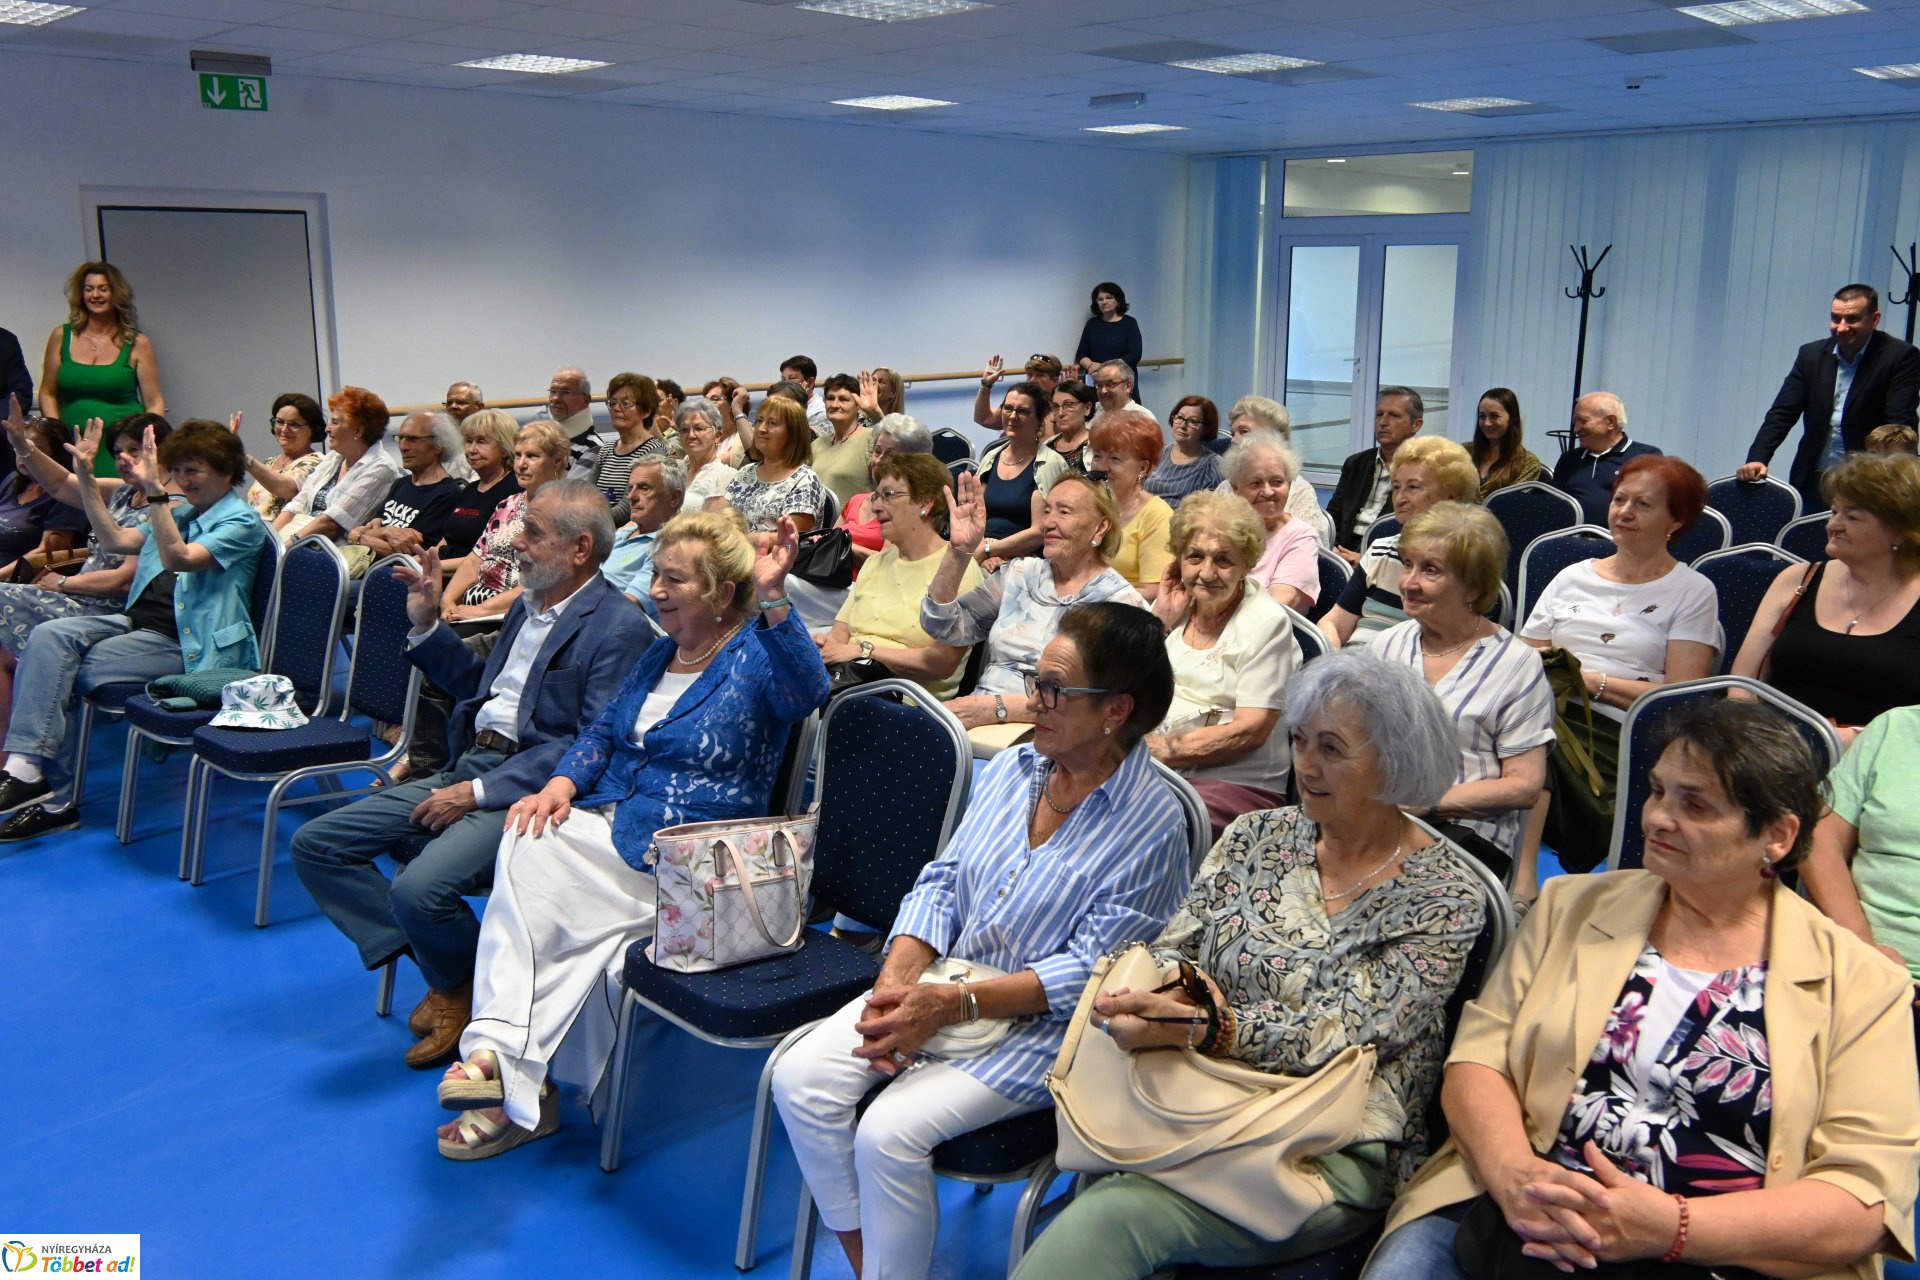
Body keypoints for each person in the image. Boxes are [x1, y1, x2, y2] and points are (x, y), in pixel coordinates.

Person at [1365, 699, 1920, 1280]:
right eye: (1658, 792)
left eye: (1695, 804)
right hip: (1523, 1212)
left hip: (1727, 1254)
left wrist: (1674, 1228)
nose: (1656, 817)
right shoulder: (1573, 907)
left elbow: (1864, 1203)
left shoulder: (1860, 983)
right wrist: (1514, 1178)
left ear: (1776, 836)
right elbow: (1479, 1058)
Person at [1016, 649, 1490, 1280]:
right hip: (1195, 1094)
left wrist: (1216, 1025)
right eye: (1299, 741)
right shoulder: (1256, 836)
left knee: (1111, 1218)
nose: (1306, 765)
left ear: (1396, 759)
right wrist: (1162, 994)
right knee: (1108, 1188)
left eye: (1332, 747)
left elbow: (1350, 1032)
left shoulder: (1445, 894)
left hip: (1325, 1142)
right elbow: (1174, 948)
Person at [772, 603, 1190, 1280]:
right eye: (1035, 680)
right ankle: (866, 1261)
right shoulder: (1019, 767)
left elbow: (1092, 976)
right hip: (950, 981)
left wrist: (950, 1005)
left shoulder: (1153, 823)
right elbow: (943, 881)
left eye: (1054, 689)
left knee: (889, 1132)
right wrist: (899, 977)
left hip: (1051, 1030)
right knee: (800, 1080)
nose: (1033, 701)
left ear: (1116, 711)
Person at [432, 511, 829, 1159]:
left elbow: (807, 688)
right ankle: (507, 1070)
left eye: (676, 579)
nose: (658, 590)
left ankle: (505, 1073)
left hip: (695, 868)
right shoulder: (659, 653)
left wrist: (777, 593)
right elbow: (601, 733)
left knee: (539, 880)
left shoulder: (757, 658)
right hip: (623, 835)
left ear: (723, 593)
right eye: (657, 575)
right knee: (531, 838)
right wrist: (561, 784)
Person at [290, 481, 652, 1067]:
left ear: (580, 548)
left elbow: (589, 741)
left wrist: (478, 791)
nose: (515, 543)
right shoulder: (528, 607)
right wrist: (429, 624)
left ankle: (461, 987)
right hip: (471, 762)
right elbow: (479, 690)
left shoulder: (618, 626)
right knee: (317, 845)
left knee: (418, 889)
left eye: (532, 532)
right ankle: (458, 978)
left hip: (528, 788)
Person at [0, 420, 264, 841]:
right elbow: (116, 538)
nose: (183, 480)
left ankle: (51, 798)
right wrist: (85, 478)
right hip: (136, 625)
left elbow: (178, 558)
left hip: (187, 644)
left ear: (227, 472)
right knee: (48, 639)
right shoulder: (190, 512)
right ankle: (26, 771)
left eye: (193, 471)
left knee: (59, 670)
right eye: (177, 471)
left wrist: (158, 494)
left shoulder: (242, 522)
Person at [1520, 456, 1721, 877]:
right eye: (1619, 500)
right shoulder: (1571, 576)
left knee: (1526, 746)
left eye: (1643, 505)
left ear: (1676, 520)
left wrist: (1588, 682)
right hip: (1546, 709)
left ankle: (1518, 881)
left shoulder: (1692, 591)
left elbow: (1678, 698)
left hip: (1622, 732)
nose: (1624, 512)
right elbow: (1523, 657)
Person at [1371, 503, 1554, 863]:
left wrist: (1428, 802)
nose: (1408, 582)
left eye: (1431, 570)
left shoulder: (1516, 665)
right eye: (1408, 565)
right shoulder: (1388, 644)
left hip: (1465, 835)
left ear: (1473, 586)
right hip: (1379, 819)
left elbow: (1525, 786)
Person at [923, 471, 1146, 739]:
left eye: (1064, 512)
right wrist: (959, 551)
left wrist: (997, 708)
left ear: (1100, 527)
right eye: (1048, 510)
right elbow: (943, 626)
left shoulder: (1122, 605)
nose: (1048, 522)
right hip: (974, 722)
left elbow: (1098, 704)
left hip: (1056, 739)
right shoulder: (1021, 574)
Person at [1731, 451, 1920, 745]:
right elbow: (1742, 684)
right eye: (1834, 512)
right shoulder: (1797, 580)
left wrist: (1848, 740)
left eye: (1853, 516)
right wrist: (1754, 739)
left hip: (1884, 759)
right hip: (1773, 750)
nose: (1833, 525)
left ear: (1900, 531)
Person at [0, 413, 169, 732]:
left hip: (108, 611)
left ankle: (24, 752)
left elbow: (123, 582)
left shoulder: (167, 505)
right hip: (80, 598)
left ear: (158, 449)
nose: (124, 458)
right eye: (118, 451)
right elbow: (61, 483)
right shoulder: (123, 491)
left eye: (135, 449)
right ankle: (16, 748)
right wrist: (23, 447)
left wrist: (64, 582)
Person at [1146, 491, 1302, 836]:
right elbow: (1130, 686)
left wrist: (1158, 750)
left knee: (1139, 824)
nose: (1206, 572)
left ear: (1247, 564)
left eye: (1224, 560)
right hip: (1160, 767)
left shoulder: (1266, 623)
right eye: (1194, 557)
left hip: (1234, 783)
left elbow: (1250, 732)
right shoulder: (1177, 608)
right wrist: (1160, 621)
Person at [814, 452, 978, 699]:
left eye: (889, 495)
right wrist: (825, 644)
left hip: (907, 703)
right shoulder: (875, 564)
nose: (877, 506)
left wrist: (863, 651)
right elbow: (839, 635)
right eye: (877, 496)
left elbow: (941, 664)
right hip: (848, 684)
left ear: (925, 503)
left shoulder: (959, 568)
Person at [1742, 283, 1920, 507]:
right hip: (1814, 476)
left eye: (1852, 319)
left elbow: (1900, 423)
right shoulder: (1811, 355)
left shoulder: (1899, 356)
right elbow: (1782, 412)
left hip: (1869, 481)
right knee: (1804, 538)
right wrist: (1759, 456)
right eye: (1836, 319)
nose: (1842, 328)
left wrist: (1896, 478)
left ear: (1874, 319)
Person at [1320, 436, 1480, 650]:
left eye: (1413, 487)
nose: (1400, 498)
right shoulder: (1380, 550)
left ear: (1450, 497)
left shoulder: (1466, 566)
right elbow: (1333, 623)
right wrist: (1334, 663)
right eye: (1396, 487)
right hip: (1351, 669)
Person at [40, 263, 165, 478]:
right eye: (89, 289)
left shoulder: (137, 342)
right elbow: (47, 392)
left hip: (119, 449)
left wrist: (146, 446)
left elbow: (154, 402)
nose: (95, 295)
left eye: (103, 289)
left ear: (116, 293)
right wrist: (56, 436)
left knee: (117, 506)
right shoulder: (61, 336)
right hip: (71, 447)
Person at [440, 420, 569, 628]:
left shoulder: (565, 511)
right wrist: (447, 601)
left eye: (532, 456)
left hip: (515, 614)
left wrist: (481, 610)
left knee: (443, 648)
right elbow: (475, 560)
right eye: (518, 455)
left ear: (557, 462)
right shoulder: (508, 503)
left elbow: (541, 585)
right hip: (471, 609)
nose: (521, 464)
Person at [272, 385, 399, 546]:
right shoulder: (334, 457)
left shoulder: (381, 468)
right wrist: (271, 539)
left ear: (357, 431)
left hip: (330, 550)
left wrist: (285, 546)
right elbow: (298, 503)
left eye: (335, 422)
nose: (327, 429)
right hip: (301, 539)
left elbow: (331, 524)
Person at [343, 411, 462, 563]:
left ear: (438, 445)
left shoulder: (448, 494)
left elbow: (407, 555)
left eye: (412, 439)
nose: (403, 447)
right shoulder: (401, 483)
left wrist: (360, 537)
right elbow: (372, 527)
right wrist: (386, 532)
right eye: (401, 438)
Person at [973, 381, 1067, 568]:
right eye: (1008, 408)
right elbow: (973, 517)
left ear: (1040, 419)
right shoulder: (992, 457)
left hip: (1025, 560)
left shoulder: (1048, 463)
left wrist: (990, 551)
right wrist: (981, 550)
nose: (1013, 416)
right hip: (981, 552)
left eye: (1022, 411)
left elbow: (1040, 531)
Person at [1216, 395, 1333, 545]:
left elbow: (1311, 550)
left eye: (1243, 431)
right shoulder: (1226, 486)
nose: (1233, 440)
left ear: (1273, 436)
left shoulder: (1300, 491)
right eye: (1233, 433)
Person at [1226, 430, 1317, 612]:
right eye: (1255, 483)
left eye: (1277, 482)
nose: (1268, 492)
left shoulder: (1301, 537)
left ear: (1289, 485)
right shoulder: (1224, 526)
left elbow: (1279, 603)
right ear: (1236, 487)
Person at [1327, 387, 1424, 559]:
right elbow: (1334, 516)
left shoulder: (1425, 469)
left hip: (1391, 554)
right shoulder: (1356, 463)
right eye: (1379, 414)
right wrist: (1335, 551)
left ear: (1416, 425)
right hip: (1344, 550)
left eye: (1394, 415)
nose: (1383, 422)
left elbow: (1420, 528)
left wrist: (1366, 558)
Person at [1090, 410, 1173, 601]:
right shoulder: (1088, 503)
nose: (1102, 466)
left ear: (1143, 468)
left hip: (1124, 616)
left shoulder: (1158, 515)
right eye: (1097, 456)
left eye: (1115, 458)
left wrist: (1094, 599)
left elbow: (1154, 592)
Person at [1550, 390, 1661, 525]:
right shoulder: (1569, 459)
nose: (1576, 429)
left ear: (1610, 422)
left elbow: (1650, 508)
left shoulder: (1645, 457)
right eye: (1575, 423)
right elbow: (1552, 505)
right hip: (1566, 537)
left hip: (1619, 540)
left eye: (1583, 421)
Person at [838, 414, 933, 567]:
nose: (879, 460)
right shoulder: (857, 500)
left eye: (890, 455)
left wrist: (844, 548)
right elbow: (828, 543)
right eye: (877, 451)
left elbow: (888, 564)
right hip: (833, 581)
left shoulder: (910, 509)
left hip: (871, 587)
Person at [0, 416, 87, 581]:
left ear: (55, 455)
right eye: (18, 446)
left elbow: (45, 556)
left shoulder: (70, 496)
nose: (22, 453)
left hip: (16, 582)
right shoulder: (11, 481)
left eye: (32, 448)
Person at [726, 396, 825, 534]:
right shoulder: (745, 472)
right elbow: (721, 518)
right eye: (759, 420)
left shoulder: (805, 479)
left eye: (772, 423)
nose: (761, 428)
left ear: (793, 433)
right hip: (735, 551)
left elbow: (788, 538)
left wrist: (737, 541)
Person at [436, 410, 521, 564]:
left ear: (504, 448)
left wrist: (429, 568)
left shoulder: (515, 490)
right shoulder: (469, 490)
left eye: (481, 442)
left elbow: (490, 559)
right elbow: (445, 540)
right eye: (469, 441)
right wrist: (417, 561)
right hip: (445, 570)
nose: (471, 450)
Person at [601, 458, 682, 613]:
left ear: (673, 498)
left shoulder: (669, 545)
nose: (631, 496)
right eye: (630, 488)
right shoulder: (623, 533)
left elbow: (626, 609)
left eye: (644, 488)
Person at [234, 393, 324, 520]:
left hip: (283, 536)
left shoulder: (318, 461)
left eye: (294, 424)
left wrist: (244, 458)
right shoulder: (270, 462)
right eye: (280, 422)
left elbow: (286, 488)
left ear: (313, 429)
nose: (284, 429)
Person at [590, 372, 663, 510]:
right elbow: (586, 494)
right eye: (612, 403)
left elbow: (628, 507)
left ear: (646, 411)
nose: (616, 409)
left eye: (625, 403)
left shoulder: (653, 451)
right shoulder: (606, 449)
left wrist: (593, 520)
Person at [1144, 396, 1224, 507]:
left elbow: (1213, 512)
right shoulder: (1157, 453)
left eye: (1192, 421)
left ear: (1206, 428)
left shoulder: (1213, 466)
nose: (1182, 426)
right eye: (1180, 418)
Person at [810, 373, 874, 508]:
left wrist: (876, 413)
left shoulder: (872, 438)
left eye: (844, 399)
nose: (834, 404)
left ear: (858, 406)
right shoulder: (816, 444)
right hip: (820, 525)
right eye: (830, 398)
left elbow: (900, 447)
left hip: (854, 524)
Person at [1469, 387, 1544, 500]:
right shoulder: (1464, 451)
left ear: (1513, 418)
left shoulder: (1528, 463)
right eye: (1482, 416)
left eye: (1494, 416)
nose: (1487, 423)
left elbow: (1506, 507)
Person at [675, 396, 737, 514]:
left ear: (717, 435)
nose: (691, 435)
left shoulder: (726, 476)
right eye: (685, 430)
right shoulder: (674, 472)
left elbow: (712, 526)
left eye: (699, 428)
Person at [974, 354, 1063, 431]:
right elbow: (983, 418)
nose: (1032, 380)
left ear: (1054, 381)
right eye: (1030, 375)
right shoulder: (1018, 402)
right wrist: (985, 385)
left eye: (1040, 375)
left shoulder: (1061, 409)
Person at [1075, 281, 1144, 381]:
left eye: (1109, 297)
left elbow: (1135, 354)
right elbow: (1081, 354)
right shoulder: (1092, 324)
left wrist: (1104, 367)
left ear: (1118, 300)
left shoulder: (1129, 323)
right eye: (1100, 299)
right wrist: (1090, 366)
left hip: (1121, 379)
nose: (1104, 302)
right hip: (1095, 379)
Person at [545, 366, 602, 479]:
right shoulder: (540, 439)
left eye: (565, 392)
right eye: (553, 391)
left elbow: (570, 494)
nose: (555, 398)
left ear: (586, 400)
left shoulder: (593, 449)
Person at [1045, 380, 1096, 475]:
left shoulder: (1098, 445)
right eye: (1055, 406)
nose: (1061, 413)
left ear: (1087, 408)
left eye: (1069, 405)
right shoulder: (1047, 447)